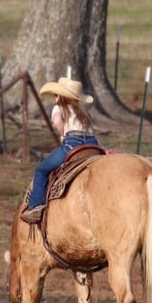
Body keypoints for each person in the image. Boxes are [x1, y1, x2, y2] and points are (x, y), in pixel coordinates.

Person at [20, 77, 98, 224]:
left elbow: (57, 121)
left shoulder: (59, 107)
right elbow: (92, 131)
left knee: (41, 171)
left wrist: (63, 134)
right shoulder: (82, 110)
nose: (55, 98)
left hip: (73, 143)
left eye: (56, 95)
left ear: (61, 96)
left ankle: (36, 206)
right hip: (93, 144)